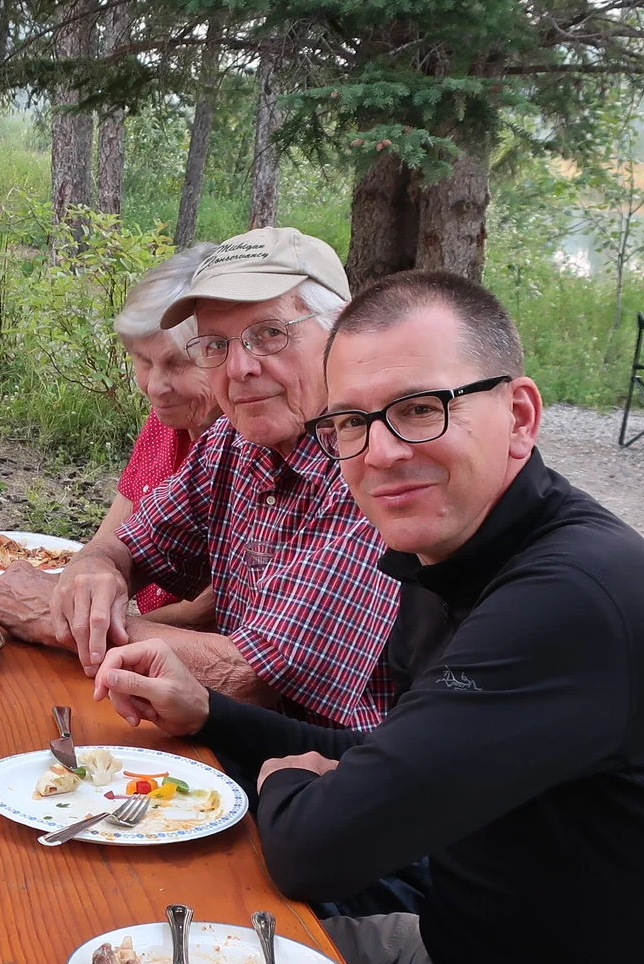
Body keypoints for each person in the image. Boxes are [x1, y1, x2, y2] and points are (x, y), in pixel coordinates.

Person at [93, 271, 644, 964]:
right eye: (351, 423)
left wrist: (296, 788)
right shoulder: (453, 554)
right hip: (448, 961)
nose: (381, 451)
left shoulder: (568, 597)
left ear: (518, 413)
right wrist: (216, 721)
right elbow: (379, 760)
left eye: (420, 410)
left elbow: (321, 843)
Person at [45, 229, 400, 727]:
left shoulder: (373, 461)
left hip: (330, 777)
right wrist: (95, 569)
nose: (239, 368)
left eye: (269, 334)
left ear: (340, 331)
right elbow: (129, 546)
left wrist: (56, 615)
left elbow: (258, 676)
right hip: (220, 742)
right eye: (214, 345)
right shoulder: (231, 443)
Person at [0, 248, 220, 643]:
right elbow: (112, 541)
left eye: (178, 363)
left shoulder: (251, 441)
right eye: (143, 360)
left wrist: (61, 620)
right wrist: (80, 584)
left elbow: (208, 615)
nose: (154, 387)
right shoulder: (169, 419)